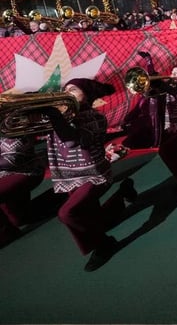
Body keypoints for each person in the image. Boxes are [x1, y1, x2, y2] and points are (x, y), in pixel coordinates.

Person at [41, 78, 138, 271]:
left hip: (94, 176)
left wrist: (54, 115)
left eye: (74, 89)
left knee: (67, 213)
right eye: (65, 89)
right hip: (69, 176)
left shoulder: (95, 117)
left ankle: (104, 244)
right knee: (93, 217)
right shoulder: (61, 116)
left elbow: (71, 141)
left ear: (87, 96)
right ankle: (123, 192)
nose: (67, 92)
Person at [0, 134, 46, 247]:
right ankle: (60, 196)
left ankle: (5, 234)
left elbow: (13, 160)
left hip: (24, 171)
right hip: (4, 174)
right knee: (20, 219)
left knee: (17, 220)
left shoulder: (11, 126)